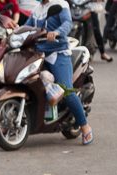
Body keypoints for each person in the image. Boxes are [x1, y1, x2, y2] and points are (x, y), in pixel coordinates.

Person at [25, 0, 94, 145]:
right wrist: (13, 31)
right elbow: (27, 26)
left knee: (66, 90)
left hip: (58, 53)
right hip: (38, 54)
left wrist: (56, 32)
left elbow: (67, 23)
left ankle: (85, 127)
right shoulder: (37, 9)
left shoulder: (60, 4)